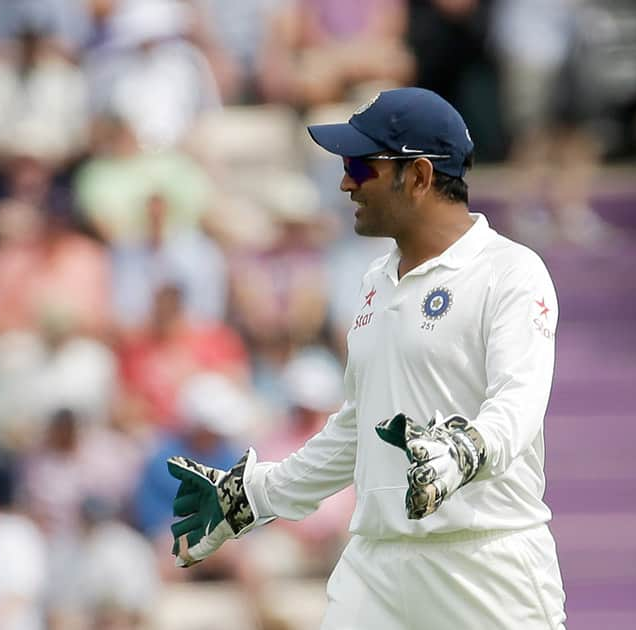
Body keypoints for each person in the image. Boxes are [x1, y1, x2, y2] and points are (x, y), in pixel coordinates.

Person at [167, 87, 566, 629]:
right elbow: (359, 428)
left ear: (420, 176)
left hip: (484, 562)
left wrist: (464, 450)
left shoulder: (510, 273)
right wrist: (256, 495)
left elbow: (518, 404)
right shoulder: (375, 281)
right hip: (377, 565)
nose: (345, 182)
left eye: (362, 165)